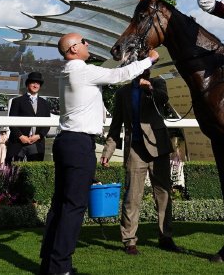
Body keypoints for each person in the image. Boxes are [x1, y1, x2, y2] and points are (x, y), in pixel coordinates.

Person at [39, 33, 159, 275]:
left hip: (66, 143)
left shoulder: (70, 71)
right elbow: (119, 75)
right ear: (73, 49)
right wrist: (150, 60)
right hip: (78, 144)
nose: (87, 44)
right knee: (74, 206)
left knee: (60, 206)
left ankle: (49, 263)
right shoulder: (82, 70)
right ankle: (61, 267)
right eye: (83, 41)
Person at [101, 69, 183, 255]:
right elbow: (116, 124)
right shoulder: (123, 92)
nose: (143, 69)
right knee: (132, 196)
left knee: (163, 195)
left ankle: (166, 237)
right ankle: (129, 241)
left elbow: (162, 100)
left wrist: (150, 89)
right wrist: (108, 151)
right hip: (135, 150)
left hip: (158, 147)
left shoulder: (158, 83)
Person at [7, 71, 51, 163]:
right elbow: (11, 122)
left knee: (34, 173)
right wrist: (21, 136)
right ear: (27, 84)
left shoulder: (45, 103)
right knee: (14, 172)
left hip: (37, 143)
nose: (35, 85)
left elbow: (47, 124)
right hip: (18, 142)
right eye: (33, 83)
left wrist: (38, 136)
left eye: (38, 83)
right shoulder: (17, 101)